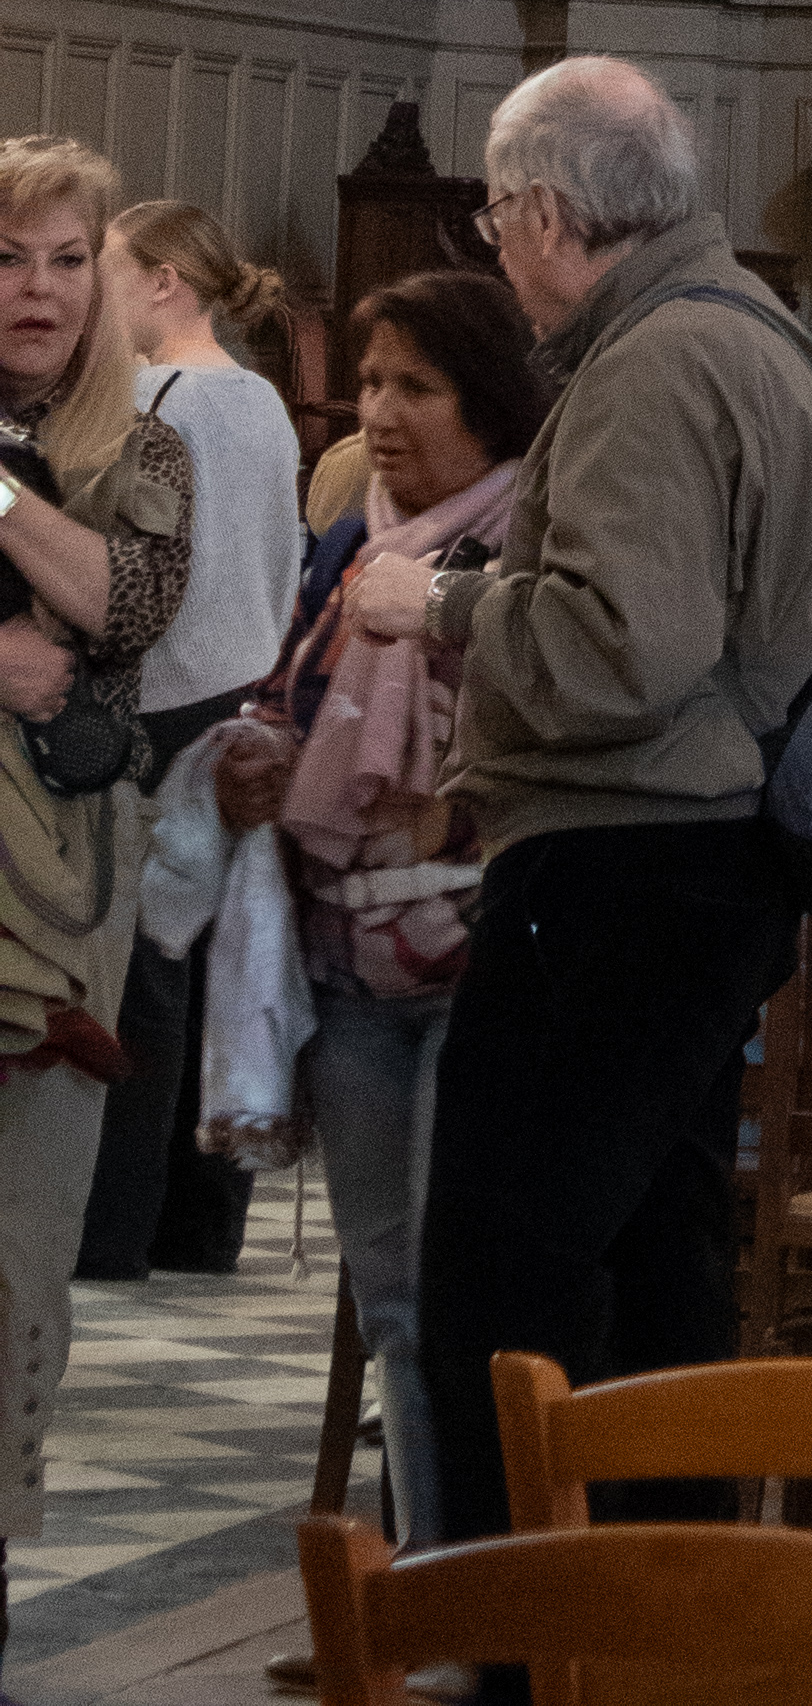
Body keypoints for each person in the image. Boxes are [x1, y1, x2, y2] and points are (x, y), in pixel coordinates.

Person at [391, 58, 812, 1550]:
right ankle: (659, 1626)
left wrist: (445, 606)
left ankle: (528, 1641)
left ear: (548, 209)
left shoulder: (654, 366)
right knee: (658, 1277)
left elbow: (623, 653)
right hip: (695, 866)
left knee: (502, 1293)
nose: (496, 250)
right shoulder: (742, 329)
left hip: (618, 873)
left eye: (498, 218)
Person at [215, 269, 540, 1551]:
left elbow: (547, 735)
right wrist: (251, 751)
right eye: (369, 383)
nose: (383, 413)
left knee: (475, 1291)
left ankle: (493, 1578)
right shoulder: (354, 535)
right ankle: (417, 1574)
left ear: (490, 398)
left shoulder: (523, 542)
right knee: (391, 1295)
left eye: (419, 385)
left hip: (478, 959)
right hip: (352, 968)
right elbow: (291, 695)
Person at [0, 135, 193, 1667]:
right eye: (9, 257)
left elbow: (117, 610)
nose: (39, 288)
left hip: (52, 900)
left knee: (15, 1266)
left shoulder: (148, 447)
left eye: (69, 258)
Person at [74, 202, 302, 1283]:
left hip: (162, 697)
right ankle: (204, 1228)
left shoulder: (153, 396)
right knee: (221, 953)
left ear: (166, 281)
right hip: (249, 692)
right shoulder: (263, 400)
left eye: (106, 271)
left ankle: (113, 1229)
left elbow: (133, 574)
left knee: (140, 966)